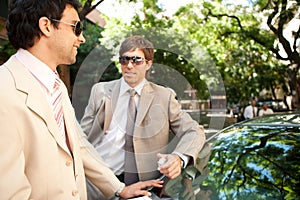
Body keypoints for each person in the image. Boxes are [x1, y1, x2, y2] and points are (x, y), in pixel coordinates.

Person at [0, 1, 163, 199]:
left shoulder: (55, 85)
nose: (82, 38)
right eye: (76, 28)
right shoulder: (5, 89)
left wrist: (118, 188)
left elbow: (78, 145)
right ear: (46, 26)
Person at [80, 35, 206, 199]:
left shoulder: (164, 96)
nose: (129, 65)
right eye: (124, 60)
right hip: (97, 184)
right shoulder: (100, 91)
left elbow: (194, 130)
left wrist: (178, 158)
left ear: (148, 64)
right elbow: (80, 137)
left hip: (143, 190)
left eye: (136, 60)